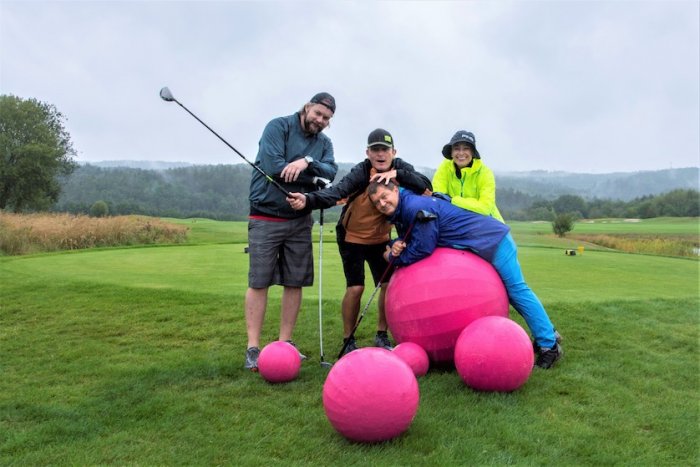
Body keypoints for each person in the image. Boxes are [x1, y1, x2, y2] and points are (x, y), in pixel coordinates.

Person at [367, 180, 563, 369]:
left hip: (493, 242)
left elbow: (423, 248)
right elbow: (409, 237)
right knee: (516, 293)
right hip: (483, 246)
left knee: (517, 292)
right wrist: (394, 246)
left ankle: (549, 346)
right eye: (377, 202)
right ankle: (548, 334)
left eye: (385, 196)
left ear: (395, 190)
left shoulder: (414, 206)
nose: (383, 203)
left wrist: (392, 259)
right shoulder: (406, 208)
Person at [287, 129, 432, 356]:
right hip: (351, 237)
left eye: (385, 150)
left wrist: (398, 174)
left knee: (387, 286)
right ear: (368, 152)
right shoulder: (361, 171)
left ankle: (382, 335)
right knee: (356, 288)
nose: (380, 154)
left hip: (381, 238)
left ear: (394, 152)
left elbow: (425, 185)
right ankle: (348, 339)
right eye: (375, 150)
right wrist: (308, 200)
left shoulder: (401, 167)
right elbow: (337, 192)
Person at [244, 92, 339, 371]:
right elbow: (275, 168)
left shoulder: (323, 142)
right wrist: (312, 174)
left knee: (294, 281)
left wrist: (306, 161)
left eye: (326, 118)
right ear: (307, 107)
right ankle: (253, 347)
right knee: (259, 281)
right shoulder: (278, 127)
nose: (320, 120)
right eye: (318, 113)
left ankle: (285, 344)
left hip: (299, 219)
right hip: (265, 215)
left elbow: (331, 173)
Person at [432, 130, 504, 222]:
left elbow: (485, 208)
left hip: (489, 222)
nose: (461, 153)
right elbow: (438, 199)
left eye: (466, 148)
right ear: (451, 152)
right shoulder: (444, 167)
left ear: (473, 153)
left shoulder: (485, 173)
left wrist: (452, 200)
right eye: (457, 149)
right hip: (456, 221)